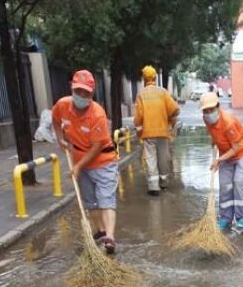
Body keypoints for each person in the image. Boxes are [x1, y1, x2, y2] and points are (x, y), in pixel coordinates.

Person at [52, 69, 118, 254]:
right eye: (78, 91)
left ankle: (110, 237)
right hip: (80, 158)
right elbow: (56, 120)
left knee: (106, 200)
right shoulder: (62, 105)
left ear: (92, 93)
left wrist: (78, 166)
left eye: (86, 93)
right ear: (72, 89)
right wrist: (60, 139)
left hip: (103, 161)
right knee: (90, 202)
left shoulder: (97, 114)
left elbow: (97, 146)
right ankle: (101, 231)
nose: (81, 96)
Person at [199, 91, 243, 234]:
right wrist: (214, 141)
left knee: (239, 182)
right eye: (206, 110)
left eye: (211, 110)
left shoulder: (228, 122)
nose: (208, 113)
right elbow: (213, 133)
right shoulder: (207, 119)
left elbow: (236, 147)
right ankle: (225, 218)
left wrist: (219, 160)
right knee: (225, 185)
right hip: (225, 154)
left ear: (218, 107)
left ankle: (242, 219)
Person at [134, 65, 180, 196]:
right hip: (163, 133)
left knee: (151, 158)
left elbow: (139, 117)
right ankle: (164, 183)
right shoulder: (163, 92)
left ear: (144, 79)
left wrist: (138, 128)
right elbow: (175, 110)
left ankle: (154, 187)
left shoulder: (141, 94)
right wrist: (171, 122)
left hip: (148, 134)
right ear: (155, 78)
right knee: (163, 158)